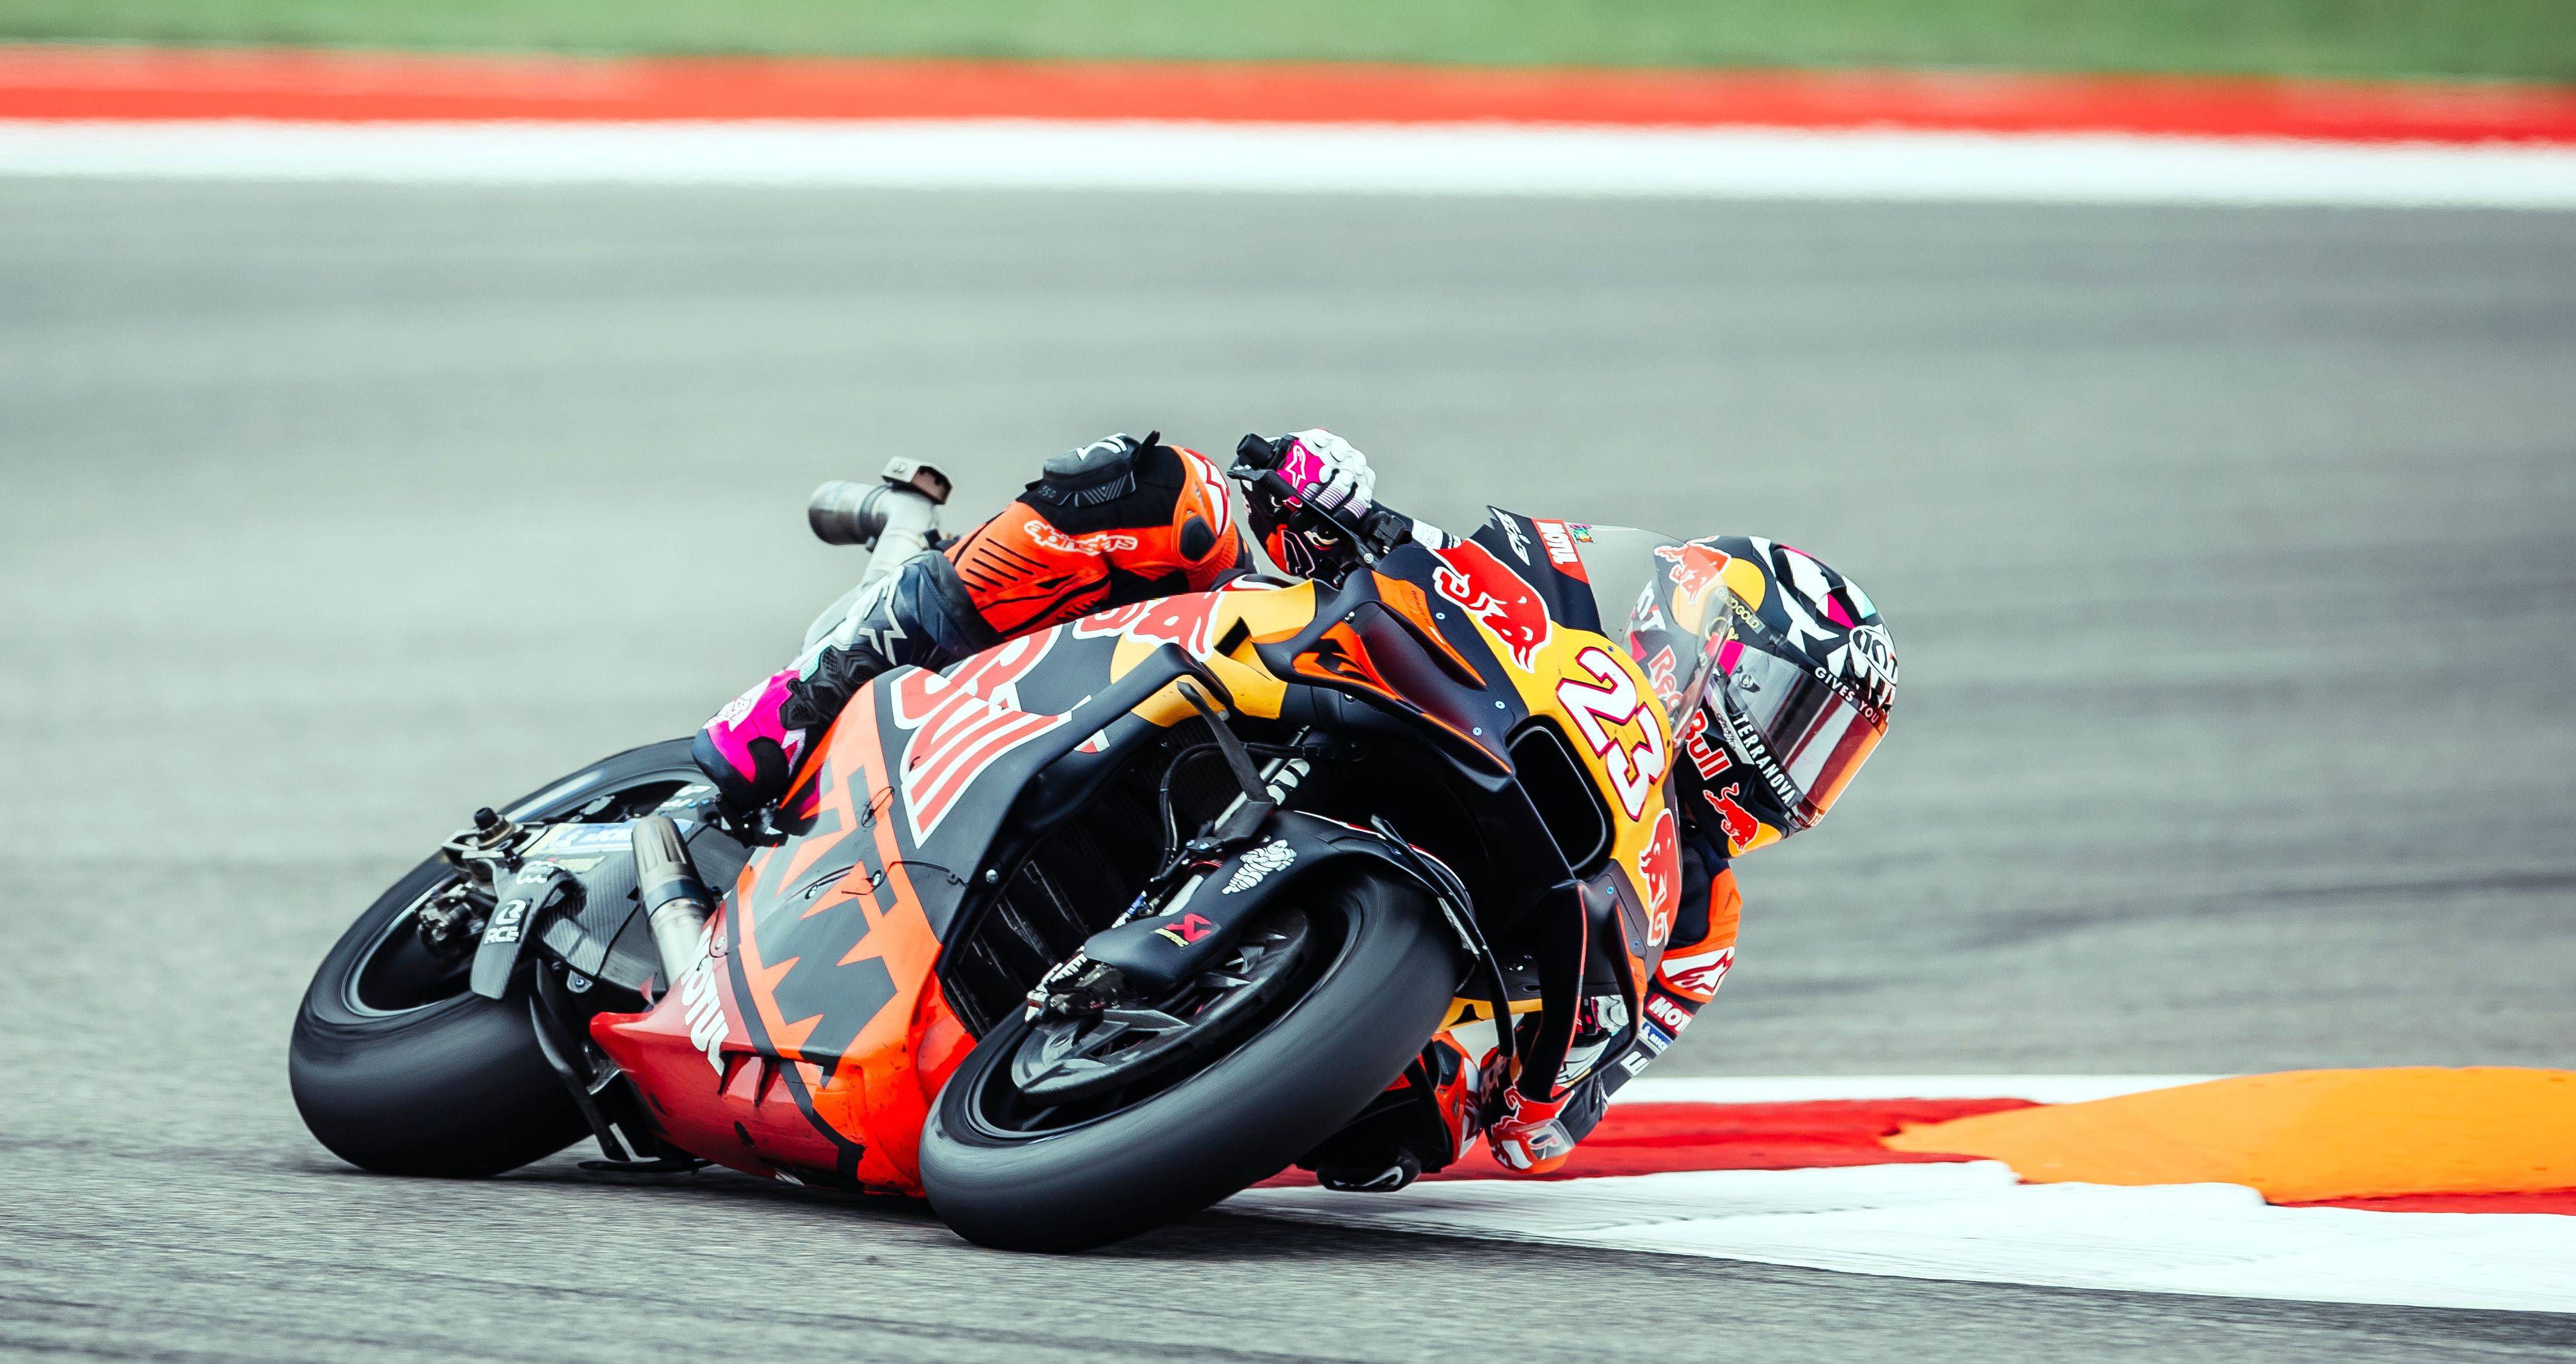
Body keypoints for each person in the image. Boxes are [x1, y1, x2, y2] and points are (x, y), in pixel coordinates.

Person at [693, 428, 1895, 1181]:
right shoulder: (1563, 586)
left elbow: (1554, 1119)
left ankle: (1160, 1066)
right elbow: (1420, 557)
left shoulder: (1703, 924)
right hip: (1306, 687)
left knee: (1409, 1123)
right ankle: (827, 681)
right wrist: (1331, 492)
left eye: (1827, 751)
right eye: (1791, 712)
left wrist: (1473, 1087)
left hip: (1388, 973)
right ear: (1702, 631)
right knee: (1169, 494)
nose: (1795, 763)